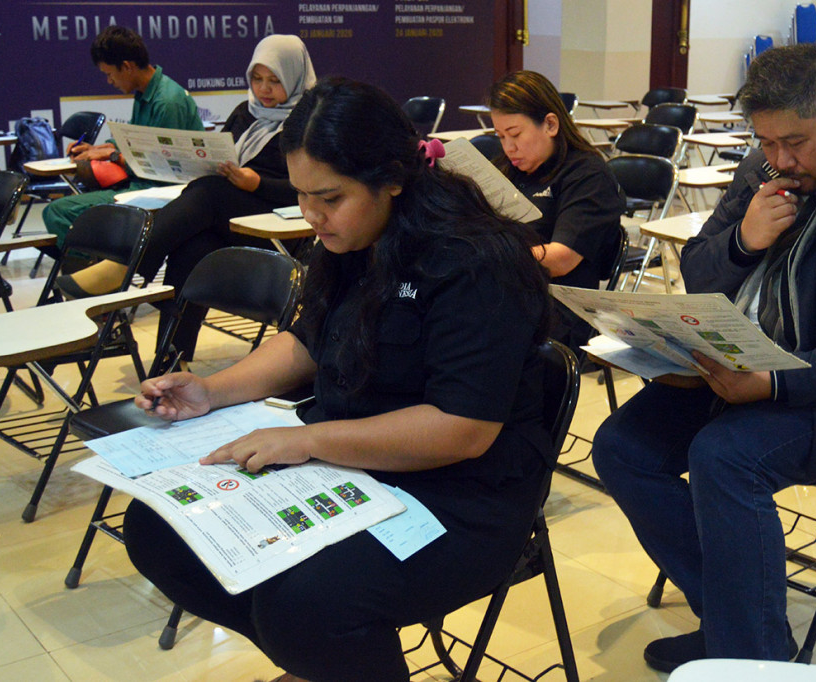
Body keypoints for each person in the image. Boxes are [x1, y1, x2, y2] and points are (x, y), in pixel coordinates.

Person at [121, 76, 553, 682]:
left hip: (461, 496)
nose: (311, 215)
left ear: (393, 180)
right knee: (159, 530)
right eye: (301, 195)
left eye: (329, 197)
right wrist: (214, 390)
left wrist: (305, 441)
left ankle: (320, 653)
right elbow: (308, 342)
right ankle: (325, 662)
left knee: (305, 601)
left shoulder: (473, 259)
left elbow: (462, 429)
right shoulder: (351, 239)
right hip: (353, 462)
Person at [591, 43, 816, 672]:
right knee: (622, 448)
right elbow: (701, 274)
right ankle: (733, 619)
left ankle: (754, 655)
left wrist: (775, 387)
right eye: (766, 143)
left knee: (725, 456)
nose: (781, 161)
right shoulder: (762, 174)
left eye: (795, 142)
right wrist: (742, 240)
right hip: (754, 366)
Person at [57, 34, 317, 360]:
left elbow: (310, 190)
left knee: (208, 193)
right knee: (192, 248)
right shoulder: (245, 113)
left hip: (278, 226)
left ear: (294, 77)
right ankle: (173, 359)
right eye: (257, 78)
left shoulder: (309, 122)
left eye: (274, 80)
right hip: (232, 217)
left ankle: (126, 264)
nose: (263, 88)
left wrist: (257, 184)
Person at [488, 70, 624, 360]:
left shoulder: (587, 174)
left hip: (557, 311)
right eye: (500, 137)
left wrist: (491, 254)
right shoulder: (506, 169)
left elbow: (561, 259)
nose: (508, 147)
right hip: (503, 293)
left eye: (515, 134)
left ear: (550, 124)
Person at [42, 25, 205, 248]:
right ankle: (99, 264)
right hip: (141, 184)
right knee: (60, 211)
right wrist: (97, 149)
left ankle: (99, 273)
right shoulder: (145, 93)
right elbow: (131, 141)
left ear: (126, 67)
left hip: (159, 191)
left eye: (109, 74)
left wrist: (113, 157)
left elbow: (164, 170)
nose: (109, 81)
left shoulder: (167, 102)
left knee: (58, 212)